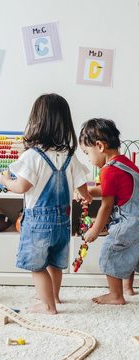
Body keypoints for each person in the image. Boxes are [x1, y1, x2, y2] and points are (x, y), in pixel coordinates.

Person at [0, 93, 92, 314]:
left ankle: (48, 305)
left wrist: (5, 181)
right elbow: (83, 189)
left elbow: (22, 187)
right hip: (63, 220)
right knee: (55, 263)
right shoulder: (70, 156)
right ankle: (55, 297)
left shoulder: (33, 155)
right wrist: (84, 196)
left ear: (37, 122)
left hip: (38, 223)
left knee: (37, 267)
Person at [79, 118, 139, 304]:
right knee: (130, 252)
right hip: (137, 219)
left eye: (87, 153)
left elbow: (106, 204)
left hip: (127, 221)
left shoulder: (108, 171)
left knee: (111, 251)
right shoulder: (126, 164)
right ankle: (128, 288)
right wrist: (88, 191)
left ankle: (116, 295)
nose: (88, 159)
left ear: (100, 146)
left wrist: (95, 230)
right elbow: (112, 190)